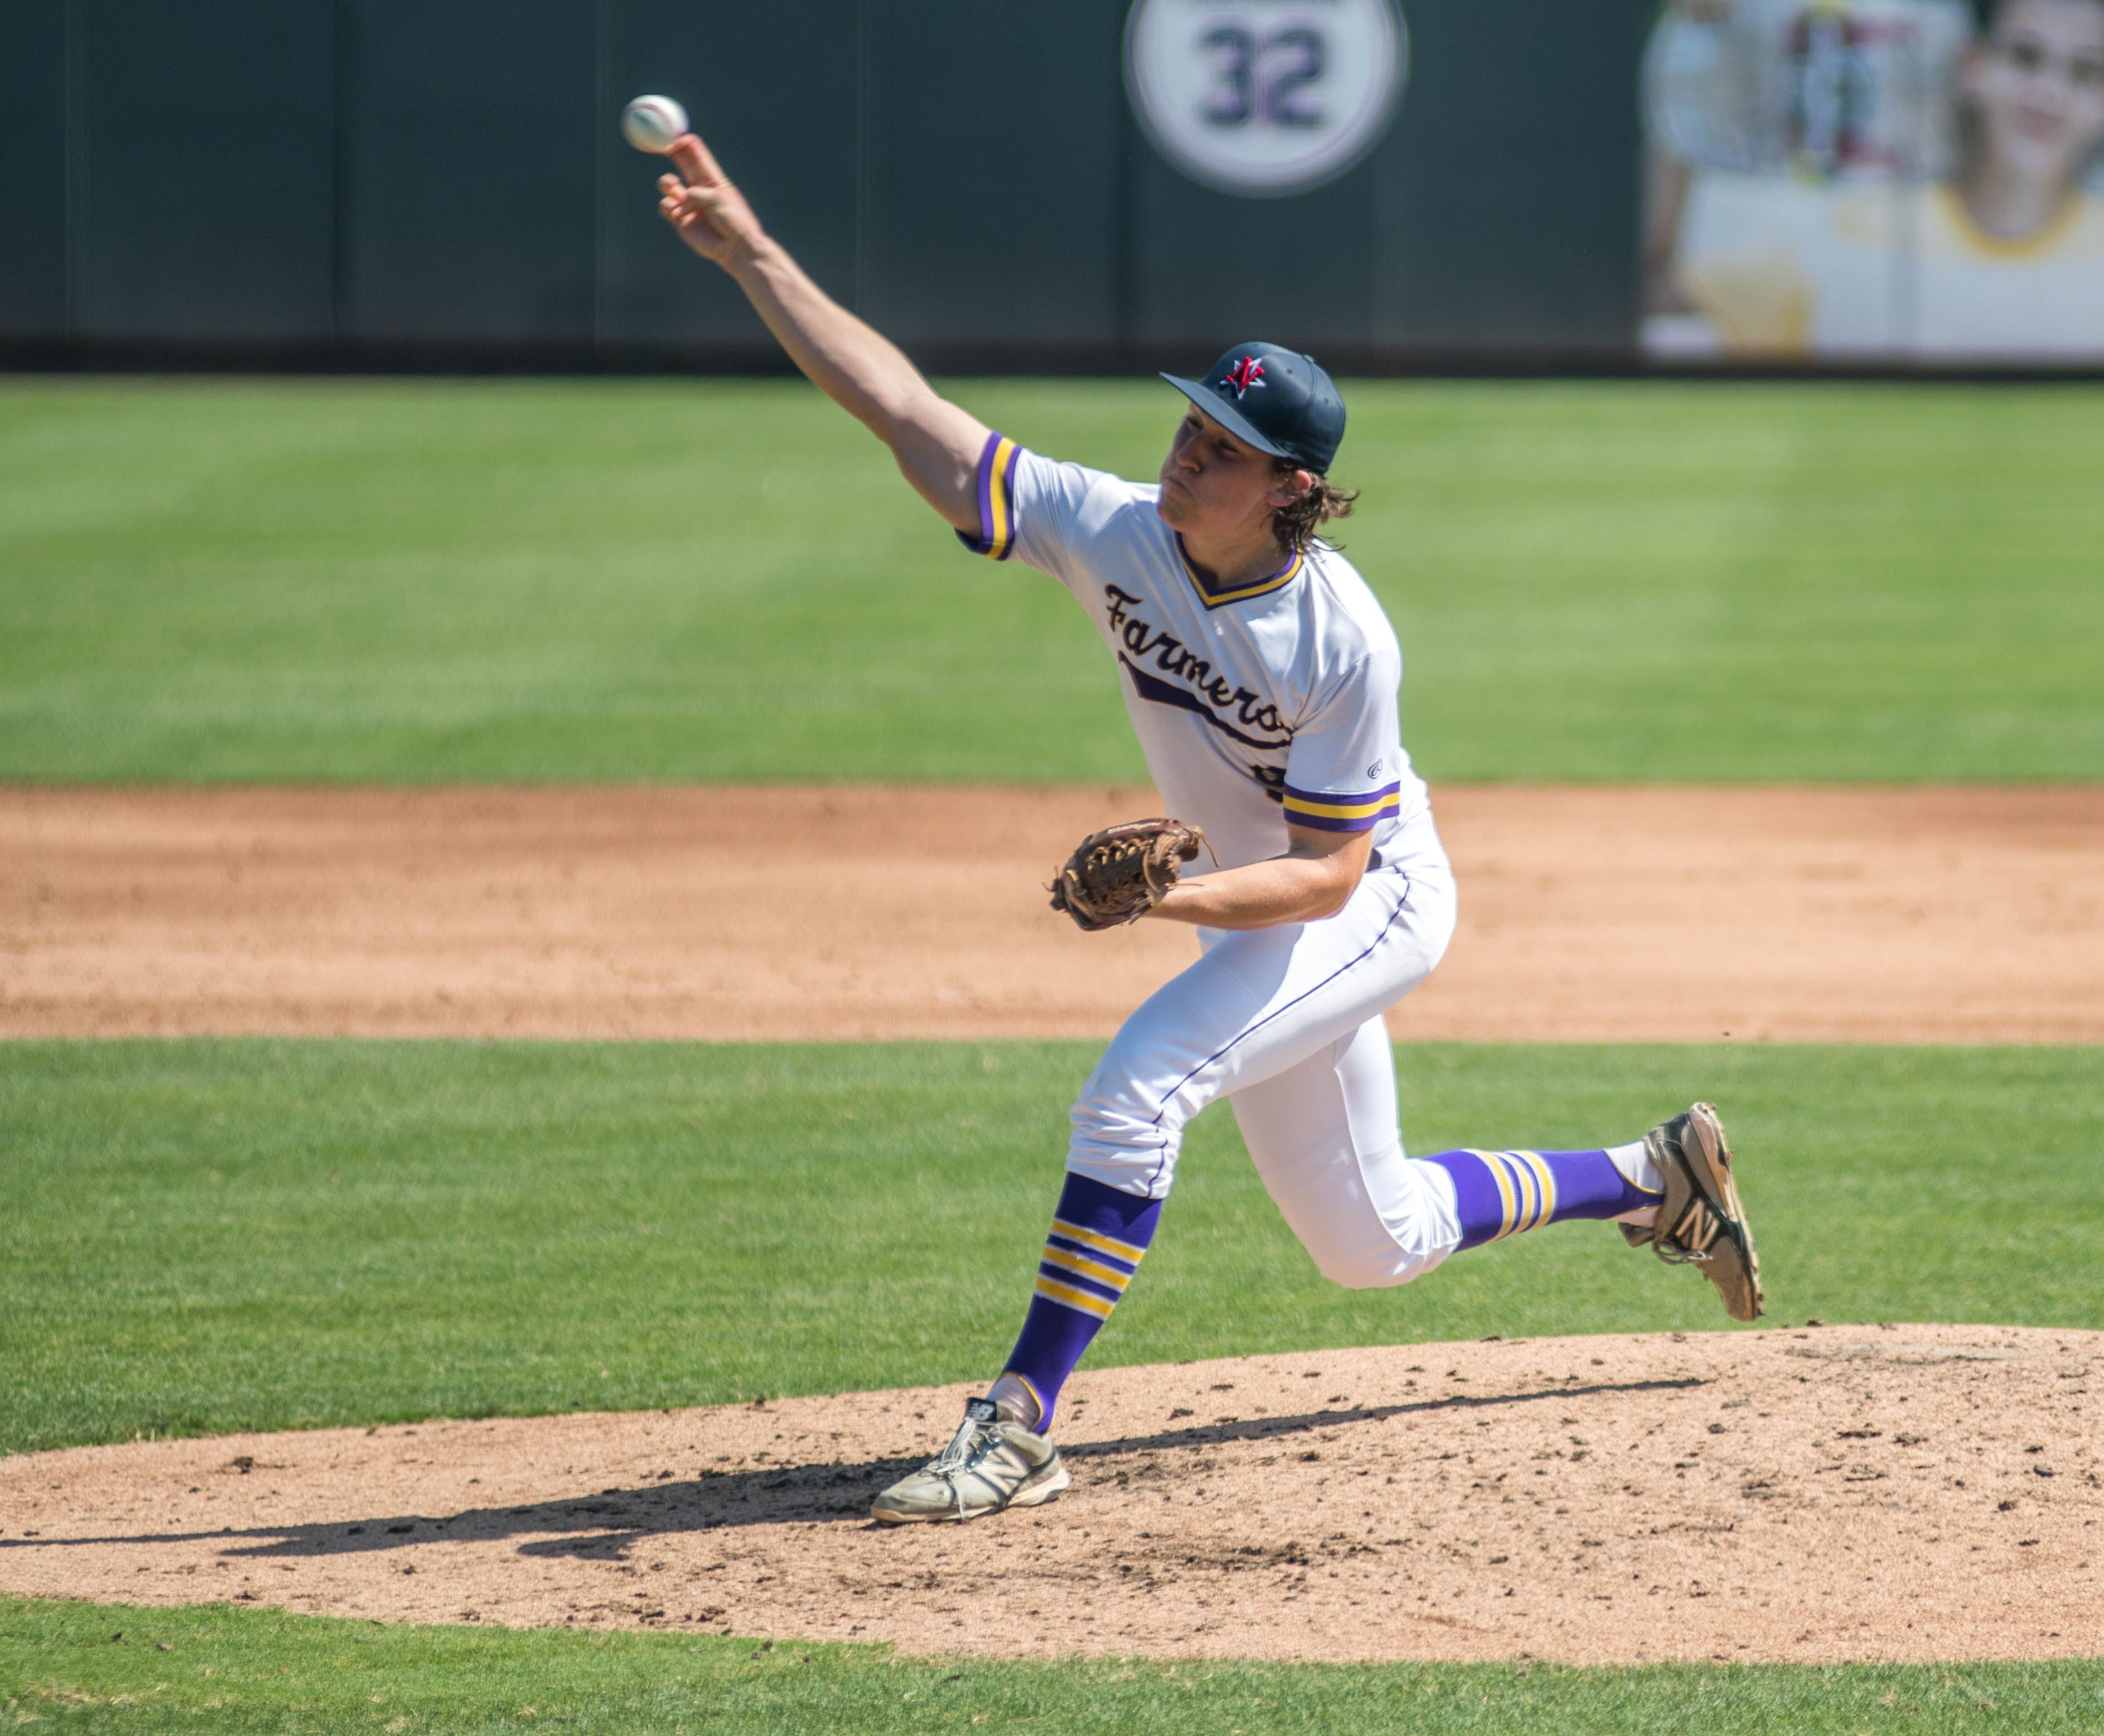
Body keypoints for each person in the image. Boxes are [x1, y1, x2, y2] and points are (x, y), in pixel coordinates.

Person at [651, 128, 1763, 1527]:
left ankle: (1019, 1426)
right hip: (1271, 900)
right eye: (1187, 426)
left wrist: (1165, 908)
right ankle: (1646, 1176)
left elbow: (1327, 876)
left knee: (1137, 1090)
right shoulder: (1115, 532)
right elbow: (911, 418)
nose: (1185, 456)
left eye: (1222, 451)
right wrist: (753, 255)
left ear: (1291, 486)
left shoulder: (1340, 638)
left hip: (1365, 903)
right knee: (1373, 1243)